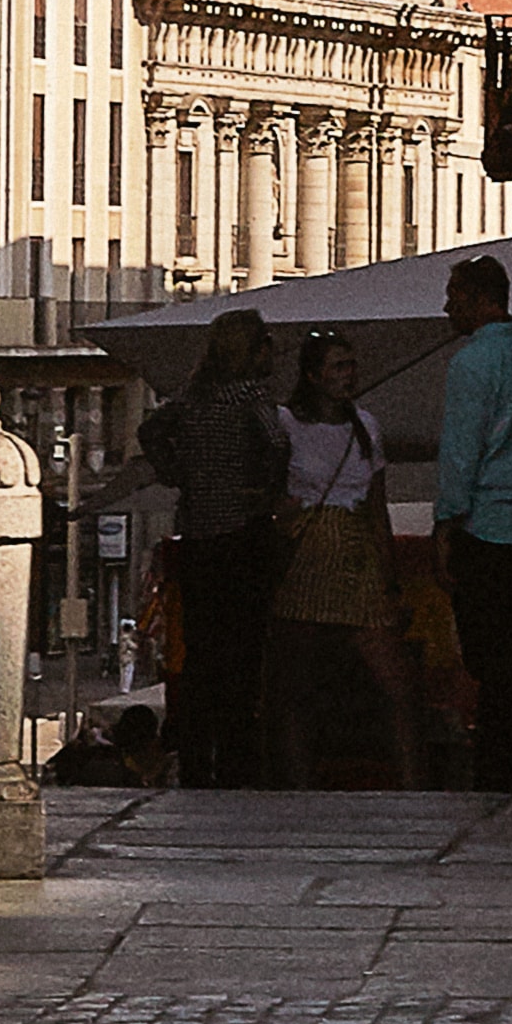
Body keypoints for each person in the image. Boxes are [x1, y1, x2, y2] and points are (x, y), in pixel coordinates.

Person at [262, 330, 429, 789]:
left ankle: (414, 782)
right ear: (314, 376)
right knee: (296, 684)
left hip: (356, 551)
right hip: (309, 550)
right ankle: (297, 782)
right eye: (337, 366)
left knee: (397, 683)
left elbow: (377, 507)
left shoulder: (366, 426)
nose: (347, 375)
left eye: (350, 365)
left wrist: (390, 578)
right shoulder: (286, 424)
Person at [430, 255, 512, 796]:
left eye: (454, 294)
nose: (446, 306)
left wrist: (445, 526)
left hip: (485, 524)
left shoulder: (471, 364)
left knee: (488, 658)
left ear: (481, 298)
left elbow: (461, 451)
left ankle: (497, 770)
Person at [147, 309, 293, 786]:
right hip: (243, 536)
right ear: (250, 350)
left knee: (203, 653)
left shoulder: (193, 397)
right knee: (245, 653)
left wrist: (177, 471)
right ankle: (237, 761)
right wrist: (265, 488)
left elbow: (149, 432)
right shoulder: (251, 394)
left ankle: (195, 756)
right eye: (265, 342)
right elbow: (275, 444)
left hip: (197, 538)